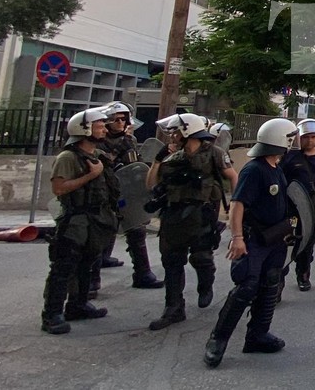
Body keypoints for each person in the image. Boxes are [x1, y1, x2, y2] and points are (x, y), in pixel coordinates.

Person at [203, 119, 299, 368]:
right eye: (289, 138)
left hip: (274, 238)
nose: (292, 142)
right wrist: (237, 238)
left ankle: (257, 335)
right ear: (280, 140)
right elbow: (237, 204)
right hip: (254, 239)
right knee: (246, 287)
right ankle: (217, 341)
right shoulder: (254, 169)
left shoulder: (276, 166)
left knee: (270, 284)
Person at [146, 114, 238, 331]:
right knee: (172, 261)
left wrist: (235, 203)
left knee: (201, 257)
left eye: (176, 132)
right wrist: (157, 161)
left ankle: (206, 283)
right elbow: (151, 185)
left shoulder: (214, 153)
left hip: (201, 214)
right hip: (173, 214)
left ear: (188, 132)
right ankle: (174, 308)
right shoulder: (171, 157)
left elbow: (233, 176)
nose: (172, 136)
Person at [40, 108, 118, 335]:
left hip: (96, 220)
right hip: (75, 220)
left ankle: (78, 304)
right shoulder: (68, 157)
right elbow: (59, 188)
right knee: (63, 267)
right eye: (99, 125)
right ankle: (51, 314)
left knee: (88, 264)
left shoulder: (98, 156)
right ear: (84, 129)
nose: (104, 129)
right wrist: (90, 176)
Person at [95, 101, 163, 291]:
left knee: (136, 230)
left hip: (124, 189)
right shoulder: (98, 139)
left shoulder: (129, 140)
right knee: (100, 233)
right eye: (117, 119)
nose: (121, 123)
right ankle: (92, 280)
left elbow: (133, 166)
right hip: (103, 191)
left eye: (124, 119)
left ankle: (142, 274)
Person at [279, 119, 315, 293]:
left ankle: (303, 274)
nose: (310, 141)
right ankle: (277, 284)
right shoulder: (289, 156)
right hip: (291, 206)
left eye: (313, 137)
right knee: (284, 244)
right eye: (306, 137)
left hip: (313, 205)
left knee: (307, 243)